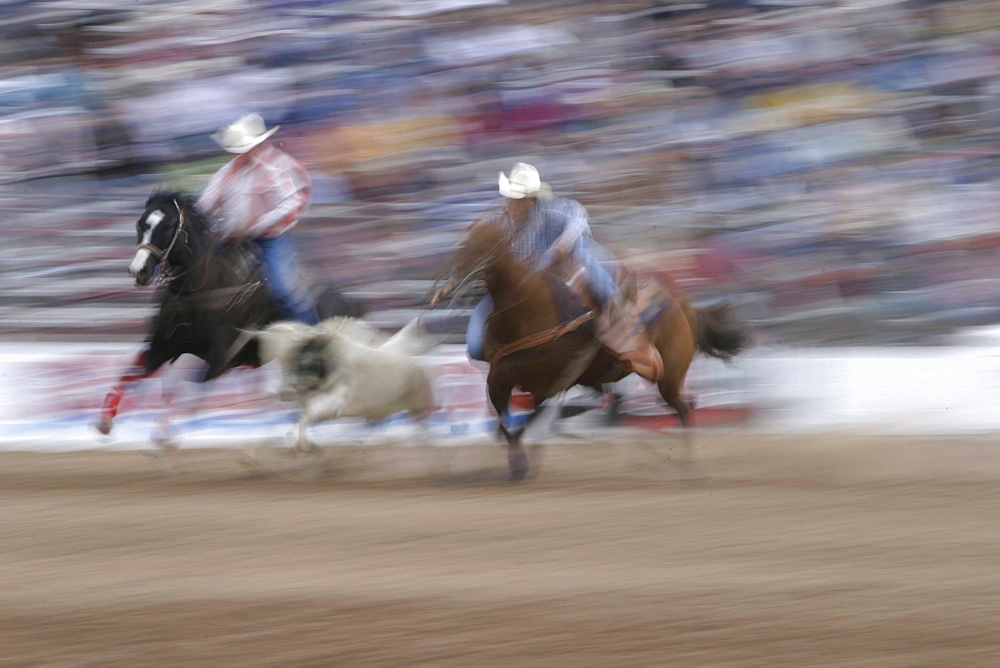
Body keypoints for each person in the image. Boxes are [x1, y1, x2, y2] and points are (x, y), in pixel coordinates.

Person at [432, 162, 662, 381]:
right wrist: (451, 283)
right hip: (506, 292)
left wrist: (565, 240)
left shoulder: (548, 214)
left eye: (519, 198)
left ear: (532, 200)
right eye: (511, 197)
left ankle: (615, 306)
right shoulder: (495, 224)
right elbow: (472, 253)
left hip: (543, 281)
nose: (513, 203)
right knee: (475, 346)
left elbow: (578, 215)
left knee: (582, 250)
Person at [198, 112, 320, 325]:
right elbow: (207, 202)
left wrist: (255, 225)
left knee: (283, 289)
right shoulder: (227, 172)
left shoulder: (278, 167)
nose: (233, 154)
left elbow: (291, 203)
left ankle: (312, 331)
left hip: (270, 239)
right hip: (230, 238)